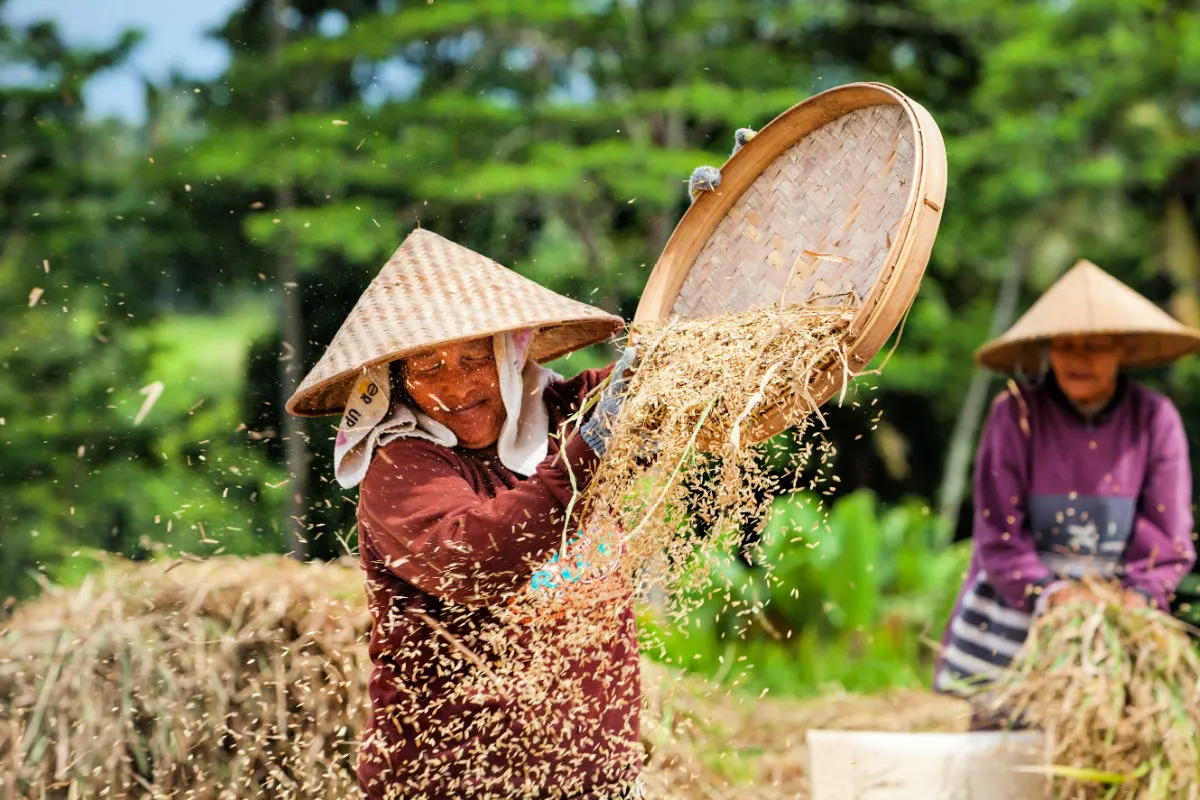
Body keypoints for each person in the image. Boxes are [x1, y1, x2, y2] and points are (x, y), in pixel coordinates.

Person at [285, 228, 643, 799]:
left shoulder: (567, 414)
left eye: (474, 358)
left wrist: (714, 249)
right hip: (454, 783)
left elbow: (695, 390)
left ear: (509, 352)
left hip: (597, 781)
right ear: (395, 381)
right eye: (427, 368)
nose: (455, 386)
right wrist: (590, 453)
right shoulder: (401, 468)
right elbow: (472, 558)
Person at [934, 259, 1200, 724]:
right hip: (1017, 608)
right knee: (1006, 753)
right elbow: (998, 534)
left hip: (1114, 614)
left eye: (1094, 346)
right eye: (1066, 345)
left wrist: (1134, 597)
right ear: (1046, 349)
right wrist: (1053, 595)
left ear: (1124, 347)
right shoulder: (1015, 413)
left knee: (1110, 744)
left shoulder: (1154, 418)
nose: (1079, 358)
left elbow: (1168, 534)